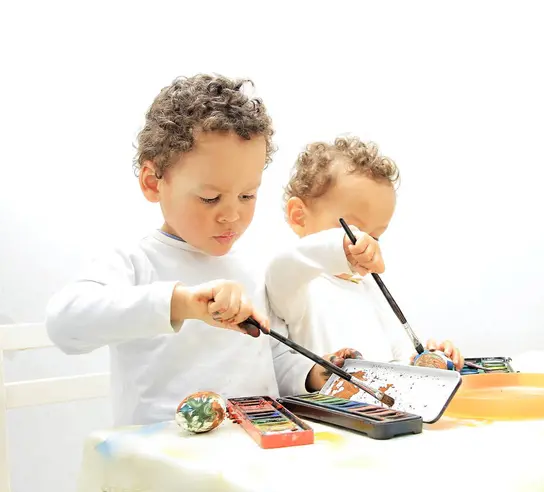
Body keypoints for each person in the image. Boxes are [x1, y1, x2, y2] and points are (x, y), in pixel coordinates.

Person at [45, 74, 360, 426]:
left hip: (251, 451)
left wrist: (314, 373)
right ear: (153, 183)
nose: (232, 215)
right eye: (210, 198)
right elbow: (64, 324)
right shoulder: (134, 262)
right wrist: (181, 304)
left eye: (247, 195)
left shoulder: (254, 265)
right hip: (163, 461)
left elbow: (271, 359)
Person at [265, 136, 464, 368]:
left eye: (375, 237)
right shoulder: (298, 285)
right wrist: (341, 245)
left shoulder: (370, 289)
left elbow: (400, 359)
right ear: (299, 216)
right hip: (321, 403)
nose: (367, 244)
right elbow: (283, 268)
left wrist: (429, 360)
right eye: (353, 231)